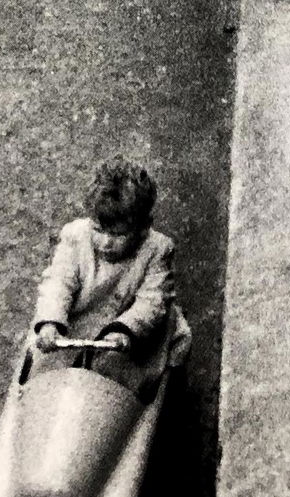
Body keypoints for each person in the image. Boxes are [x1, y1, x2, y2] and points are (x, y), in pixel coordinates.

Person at [30, 160, 192, 394]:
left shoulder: (157, 249)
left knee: (135, 379)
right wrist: (50, 322)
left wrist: (125, 330)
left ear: (143, 227)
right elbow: (58, 282)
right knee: (42, 368)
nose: (106, 243)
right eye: (98, 230)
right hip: (78, 327)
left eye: (119, 234)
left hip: (127, 335)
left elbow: (152, 301)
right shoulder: (75, 237)